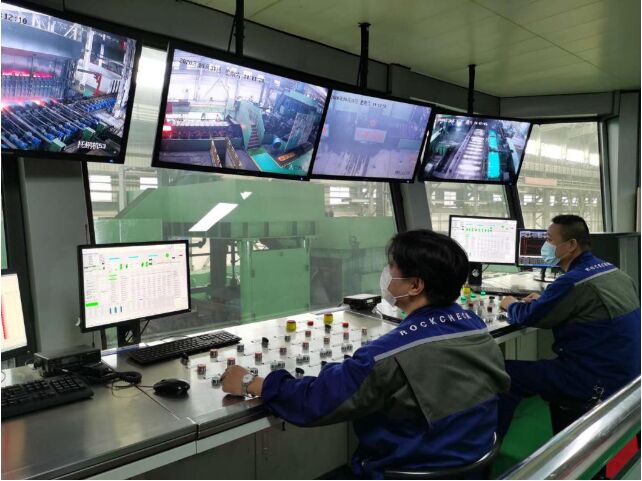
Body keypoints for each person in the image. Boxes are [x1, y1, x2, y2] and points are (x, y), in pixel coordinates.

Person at [222, 230, 509, 479]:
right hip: (472, 460)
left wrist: (252, 382)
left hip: (411, 467)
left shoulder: (389, 353)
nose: (387, 273)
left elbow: (315, 401)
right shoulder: (474, 326)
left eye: (392, 266)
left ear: (415, 285)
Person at [498, 215, 640, 437]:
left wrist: (511, 305)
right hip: (628, 372)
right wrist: (545, 301)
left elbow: (530, 316)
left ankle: (488, 448)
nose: (545, 246)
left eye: (549, 240)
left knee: (503, 374)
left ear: (571, 245)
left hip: (595, 377)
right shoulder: (612, 271)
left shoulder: (572, 281)